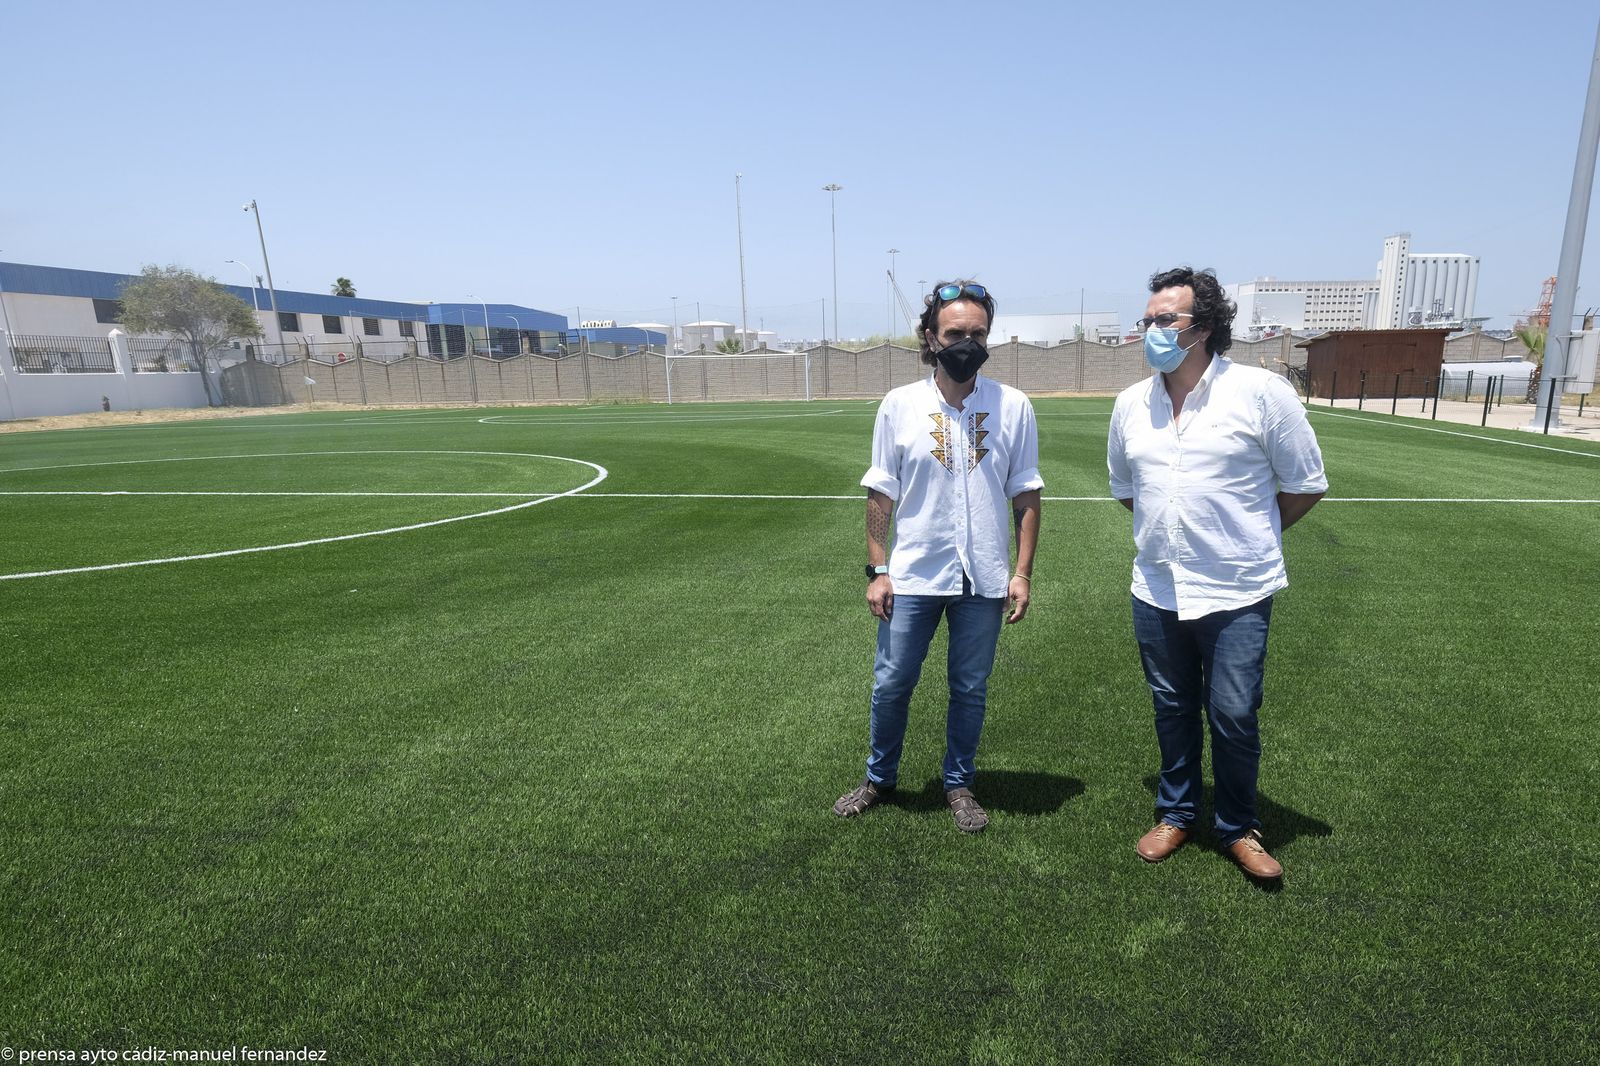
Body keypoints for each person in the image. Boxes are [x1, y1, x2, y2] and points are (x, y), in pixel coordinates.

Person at [1107, 266, 1327, 880]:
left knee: (1232, 711)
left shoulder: (1261, 393)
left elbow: (1307, 483)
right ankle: (1176, 812)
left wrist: (1249, 538)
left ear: (1201, 327)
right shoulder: (1131, 405)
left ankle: (1236, 825)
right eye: (1146, 319)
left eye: (1163, 320)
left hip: (1238, 589)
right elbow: (1128, 489)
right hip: (1155, 588)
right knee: (1172, 706)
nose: (1150, 329)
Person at [833, 281, 1043, 833]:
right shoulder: (899, 405)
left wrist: (1021, 573)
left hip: (985, 577)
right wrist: (878, 570)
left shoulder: (1013, 406)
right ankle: (879, 778)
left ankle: (959, 783)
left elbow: (1027, 493)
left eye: (977, 333)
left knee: (969, 687)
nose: (966, 342)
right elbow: (882, 492)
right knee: (892, 682)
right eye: (955, 333)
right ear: (931, 337)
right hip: (915, 575)